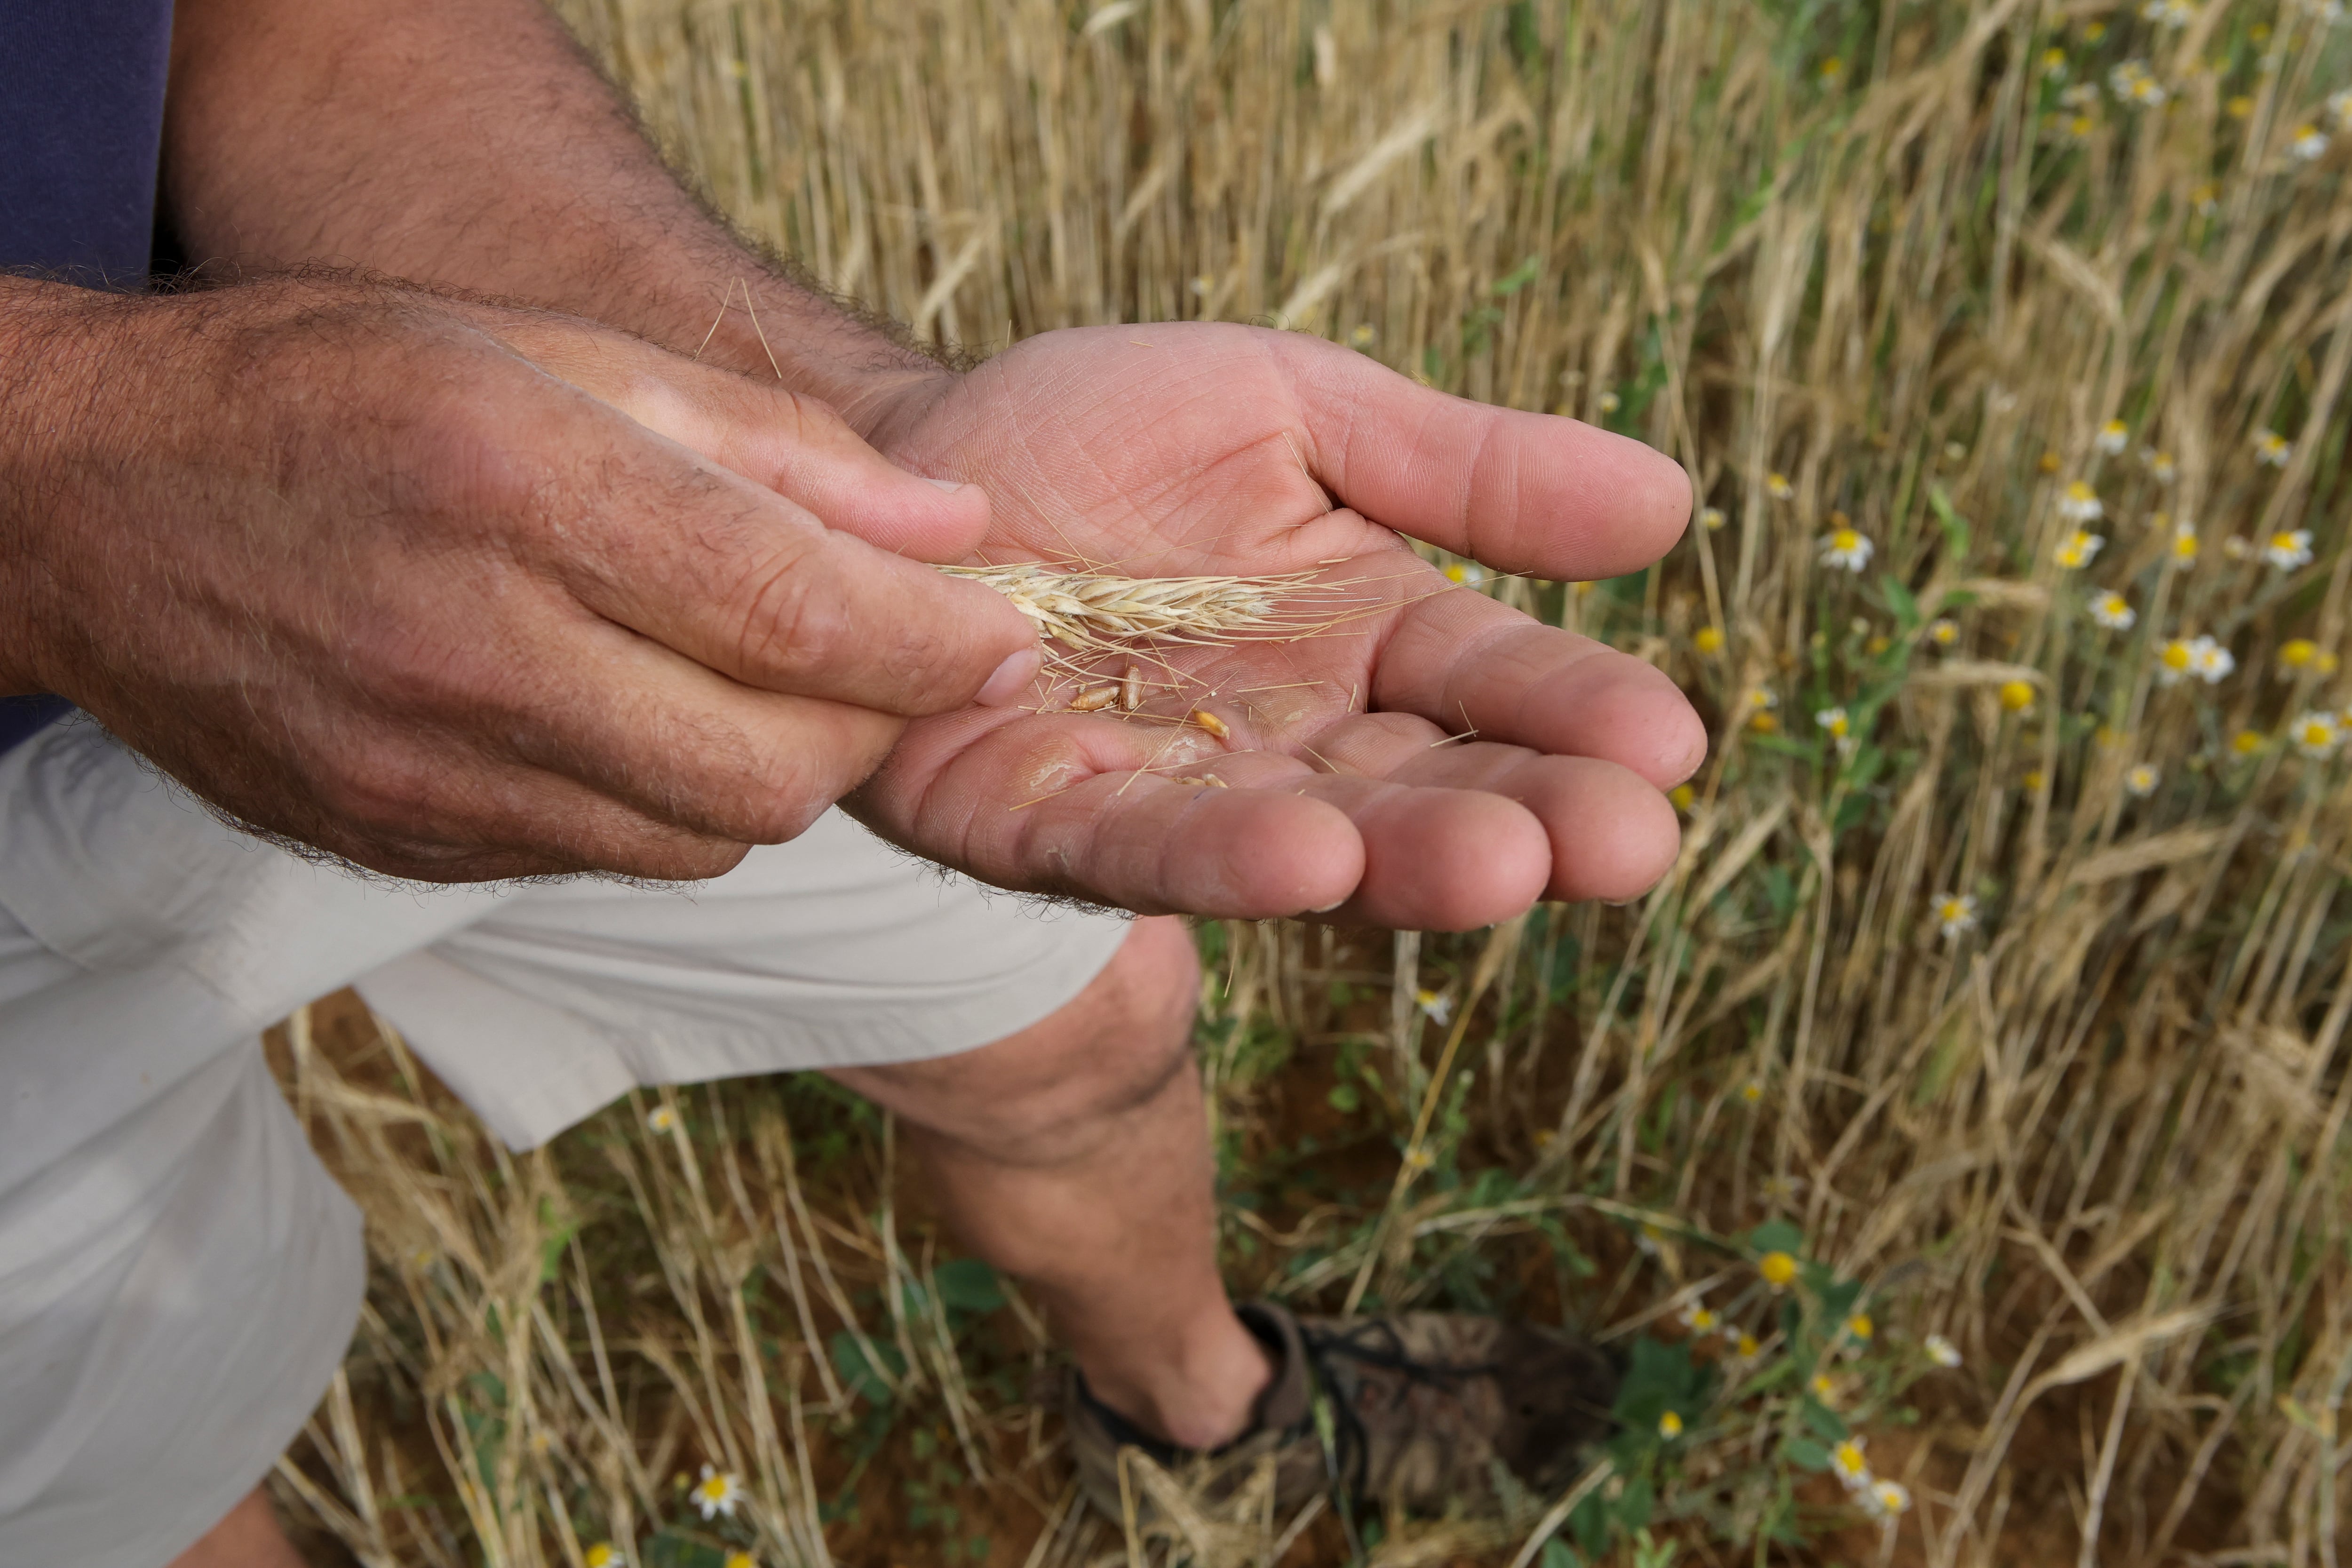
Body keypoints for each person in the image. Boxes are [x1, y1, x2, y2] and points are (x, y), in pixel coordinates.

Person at [0, 0, 1707, 1562]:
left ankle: (1204, 1416)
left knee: (1077, 1007)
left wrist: (867, 435)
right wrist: (63, 484)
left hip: (428, 503)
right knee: (135, 1450)